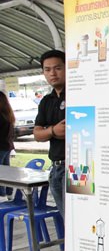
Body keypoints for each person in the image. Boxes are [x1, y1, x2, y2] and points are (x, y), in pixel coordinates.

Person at [34, 49, 66, 218]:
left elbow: (72, 131)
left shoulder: (79, 94)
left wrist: (47, 132)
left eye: (57, 68)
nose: (52, 73)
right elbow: (37, 134)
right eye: (47, 69)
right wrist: (53, 130)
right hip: (55, 168)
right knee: (66, 219)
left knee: (77, 221)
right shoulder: (46, 101)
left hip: (75, 168)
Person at [0, 91, 15, 198]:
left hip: (1, 147)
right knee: (7, 171)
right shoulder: (8, 114)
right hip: (7, 146)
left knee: (1, 172)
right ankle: (9, 193)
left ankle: (2, 194)